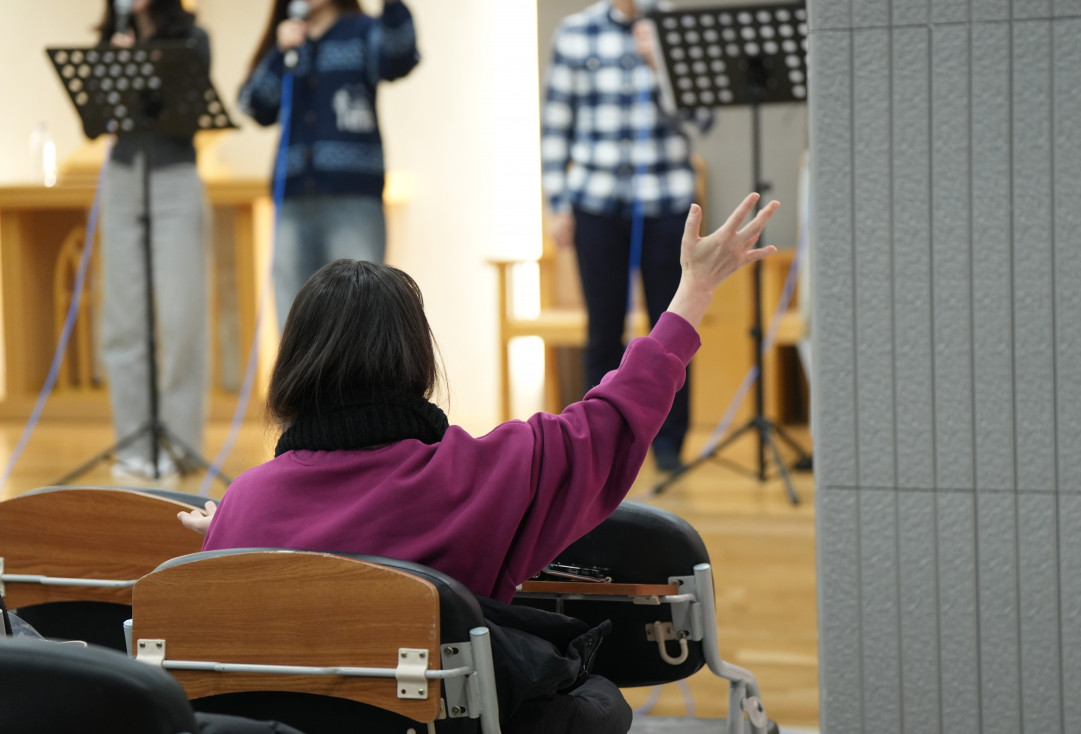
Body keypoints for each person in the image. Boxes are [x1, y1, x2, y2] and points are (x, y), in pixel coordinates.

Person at [179, 194, 776, 733]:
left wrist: (229, 529)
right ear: (415, 359)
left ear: (294, 364)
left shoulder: (246, 502)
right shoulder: (492, 471)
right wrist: (695, 287)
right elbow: (614, 418)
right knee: (596, 700)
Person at [541, 0, 715, 473]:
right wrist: (557, 204)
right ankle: (596, 444)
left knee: (673, 326)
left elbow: (704, 119)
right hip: (595, 202)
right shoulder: (575, 31)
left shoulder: (674, 25)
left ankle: (668, 444)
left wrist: (664, 66)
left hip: (667, 203)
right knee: (602, 328)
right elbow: (556, 125)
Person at [238, 0, 419, 327]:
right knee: (295, 316)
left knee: (360, 314)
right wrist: (280, 54)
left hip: (353, 199)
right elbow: (254, 104)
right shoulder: (289, 41)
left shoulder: (362, 31)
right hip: (293, 201)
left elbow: (400, 55)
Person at [96, 0, 211, 480]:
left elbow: (187, 118)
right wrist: (115, 66)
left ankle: (179, 444)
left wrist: (147, 71)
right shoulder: (111, 41)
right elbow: (94, 122)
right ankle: (134, 444)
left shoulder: (192, 38)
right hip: (122, 179)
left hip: (175, 180)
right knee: (122, 323)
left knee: (181, 319)